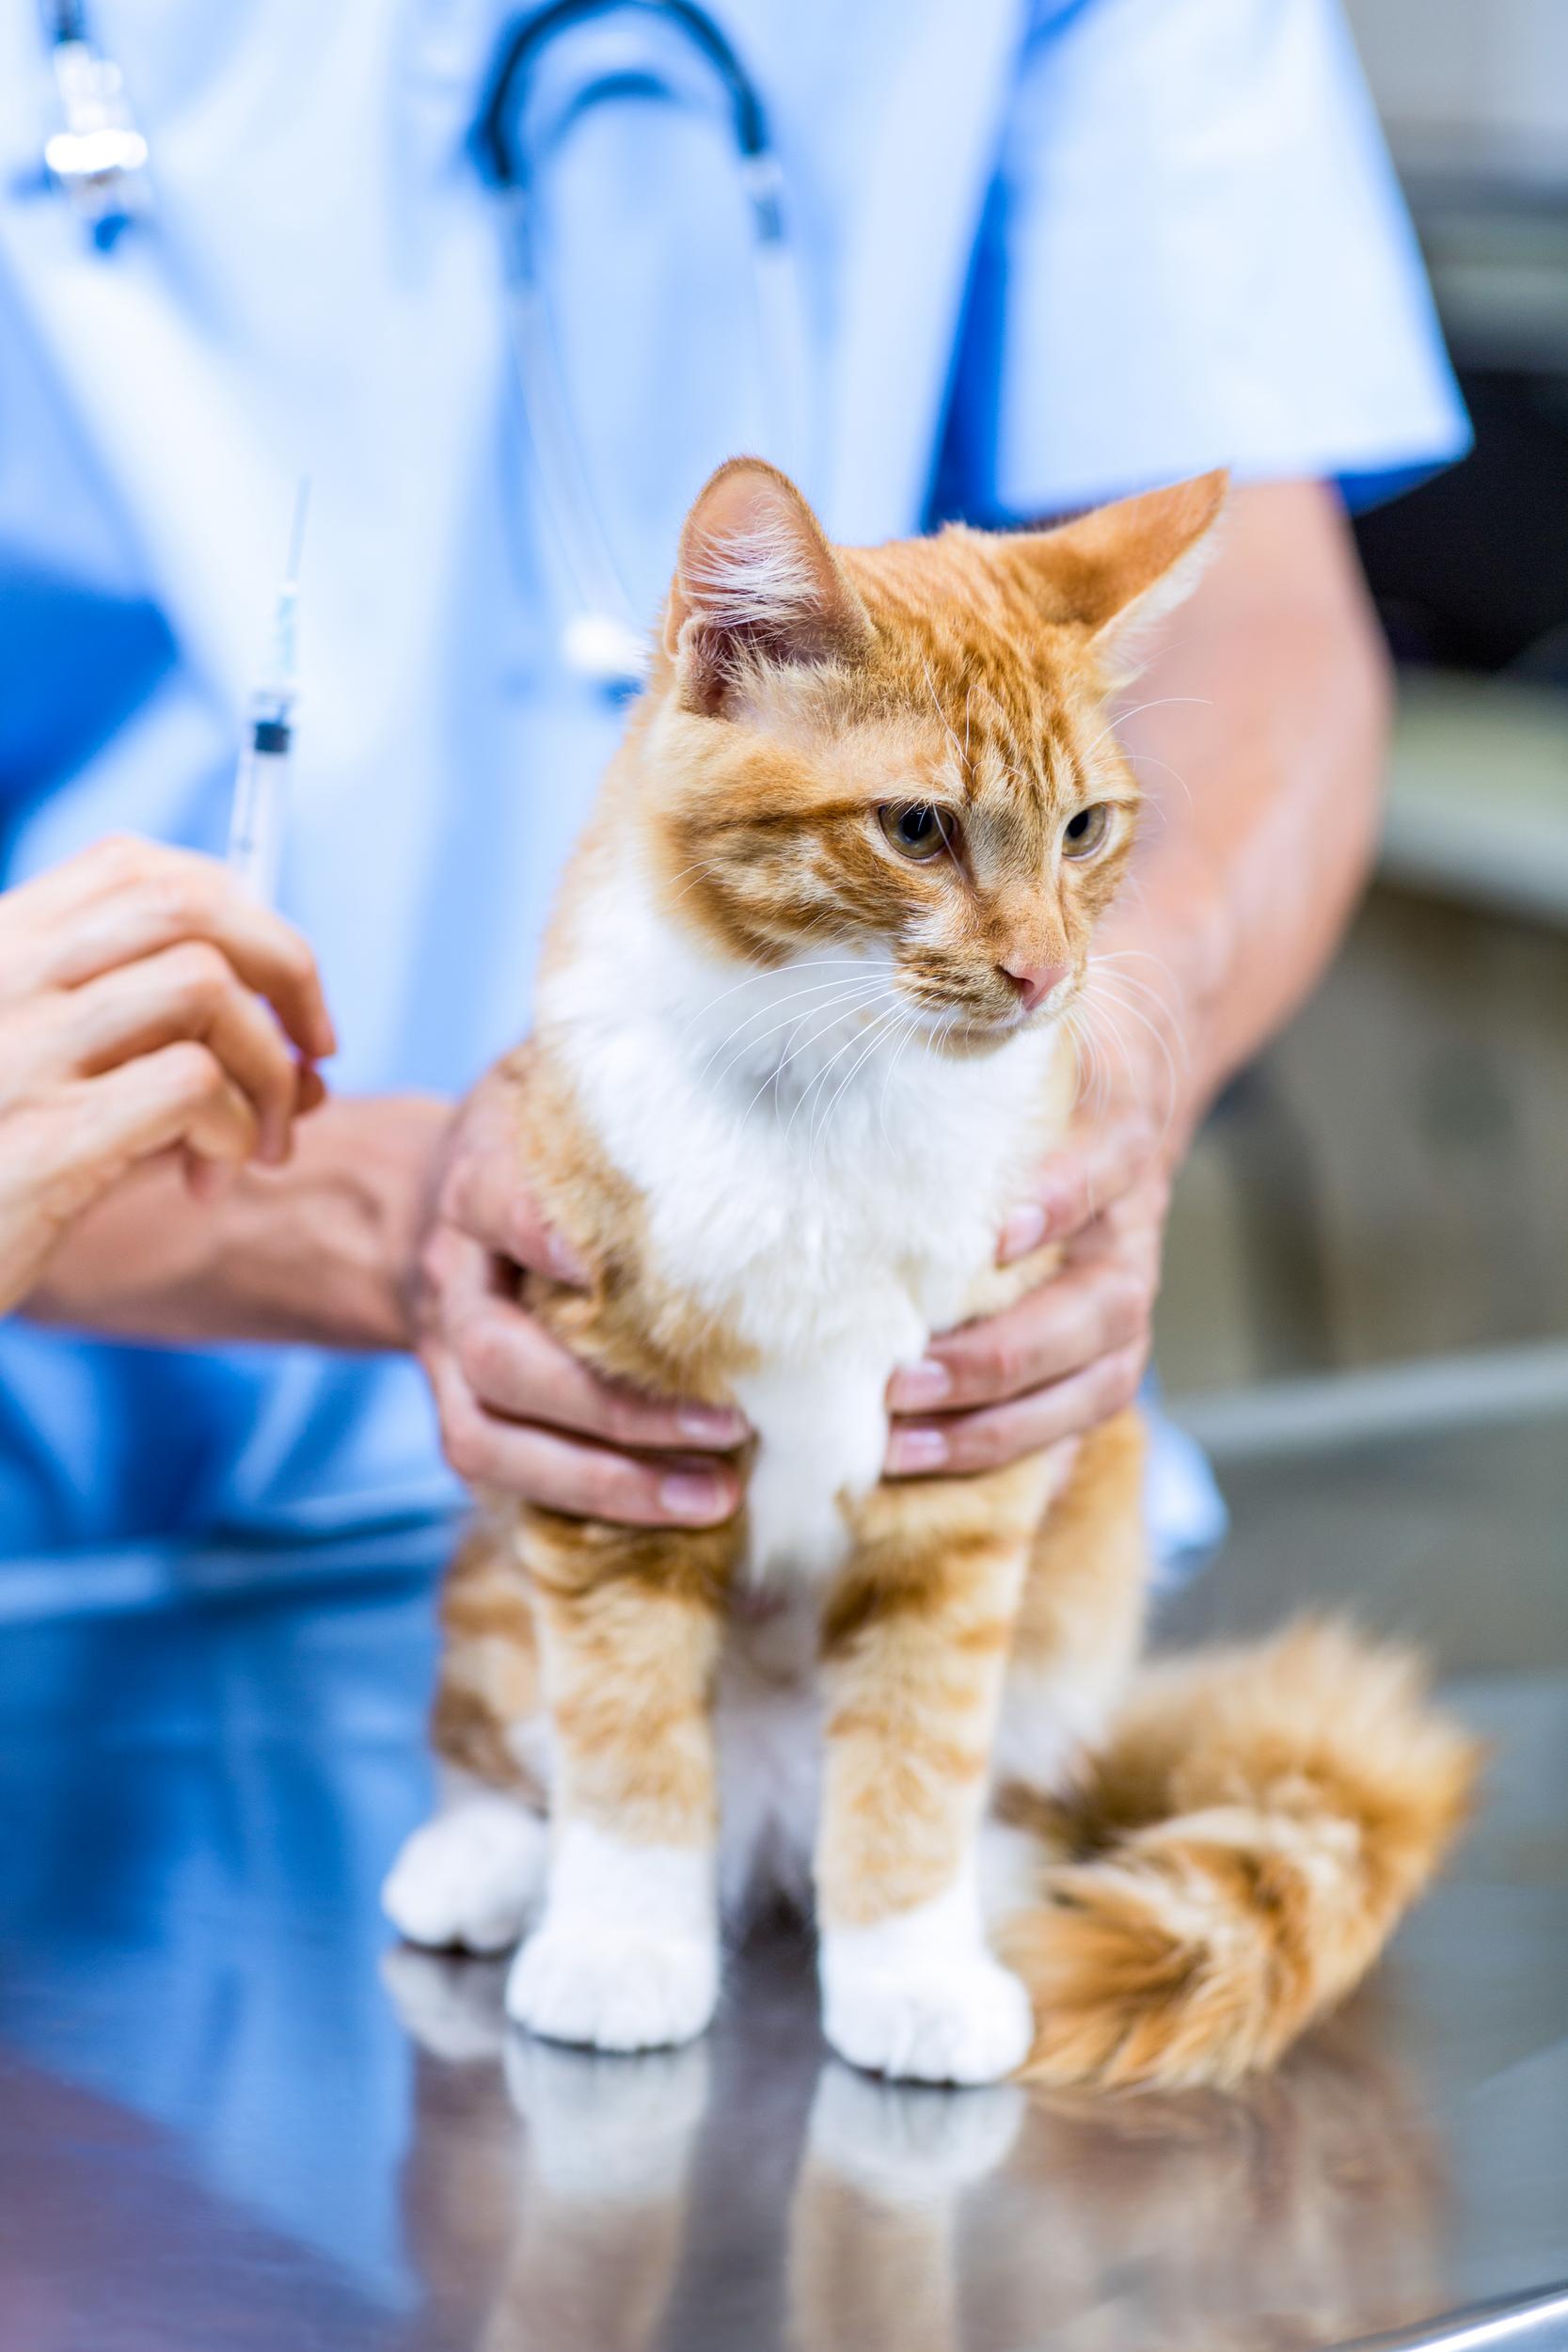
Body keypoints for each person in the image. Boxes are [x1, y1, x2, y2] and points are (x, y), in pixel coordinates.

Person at [0, 0, 1465, 1558]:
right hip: (89, 1501)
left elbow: (1250, 616)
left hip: (881, 1399)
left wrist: (1090, 1094)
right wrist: (372, 1206)